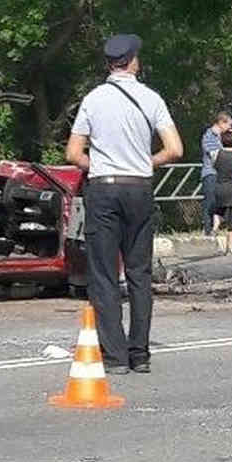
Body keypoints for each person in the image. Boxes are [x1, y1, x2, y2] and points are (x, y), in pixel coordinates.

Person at [66, 33, 183, 374]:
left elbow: (73, 153)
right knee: (139, 272)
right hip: (139, 188)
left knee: (103, 273)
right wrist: (148, 162)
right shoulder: (151, 98)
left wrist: (99, 165)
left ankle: (115, 357)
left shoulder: (93, 99)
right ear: (134, 62)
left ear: (109, 64)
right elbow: (175, 149)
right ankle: (140, 354)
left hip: (104, 189)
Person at [200, 111, 232, 236]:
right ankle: (207, 229)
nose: (229, 128)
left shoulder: (222, 136)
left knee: (222, 200)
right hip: (211, 173)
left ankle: (216, 226)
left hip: (221, 174)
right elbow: (215, 155)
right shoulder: (209, 136)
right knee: (210, 201)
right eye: (228, 125)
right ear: (221, 123)